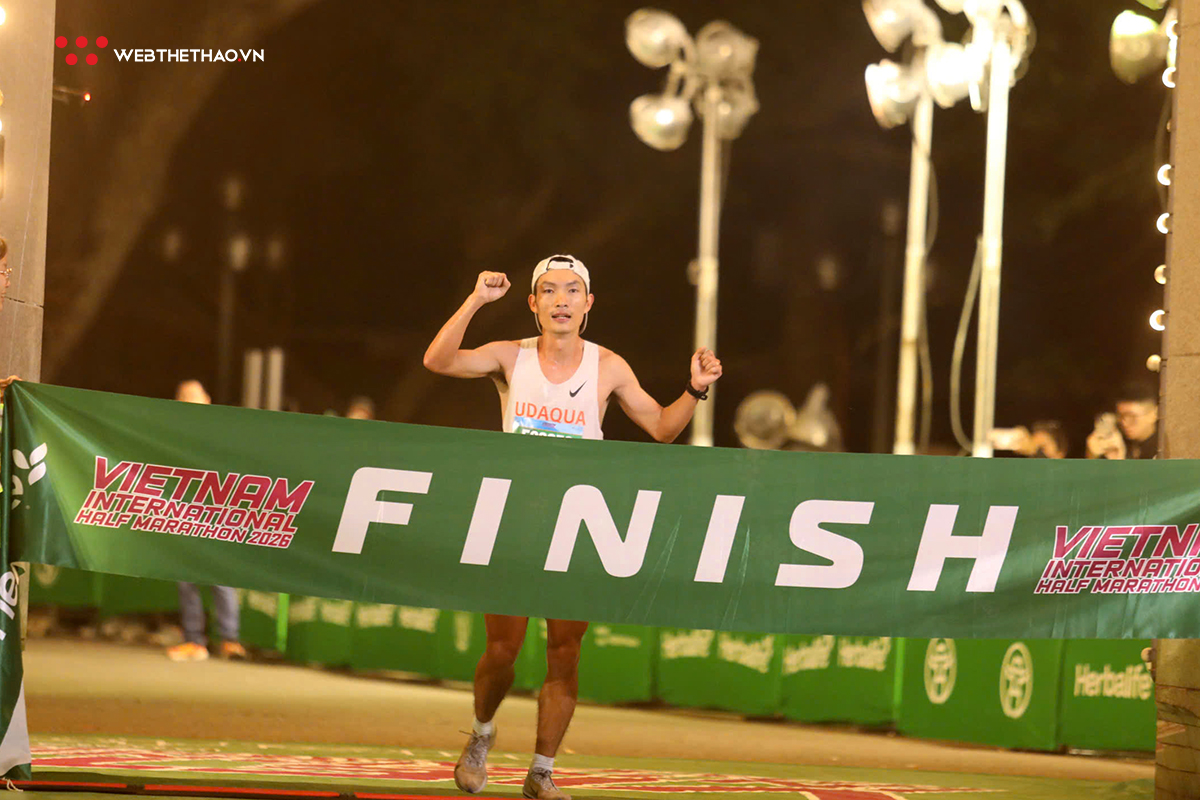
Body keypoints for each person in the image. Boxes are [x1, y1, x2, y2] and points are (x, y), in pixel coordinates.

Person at [423, 255, 722, 800]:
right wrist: (477, 300)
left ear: (588, 304)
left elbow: (661, 427)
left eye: (572, 291)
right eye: (549, 291)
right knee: (502, 650)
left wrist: (695, 389)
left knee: (564, 652)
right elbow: (437, 361)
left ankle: (541, 771)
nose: (561, 300)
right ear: (533, 303)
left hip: (577, 526)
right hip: (516, 522)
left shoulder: (608, 365)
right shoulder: (509, 356)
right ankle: (482, 734)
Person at [165, 379, 247, 662]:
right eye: (183, 396)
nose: (188, 400)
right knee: (186, 579)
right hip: (184, 513)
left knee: (220, 577)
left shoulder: (223, 431)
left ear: (207, 399)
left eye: (194, 395)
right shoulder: (170, 434)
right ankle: (194, 641)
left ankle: (230, 640)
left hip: (218, 513)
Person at [1086, 381, 1159, 460]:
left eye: (1132, 417)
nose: (1124, 423)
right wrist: (1092, 456)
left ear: (1154, 414)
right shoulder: (1117, 442)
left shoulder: (1162, 449)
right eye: (1120, 416)